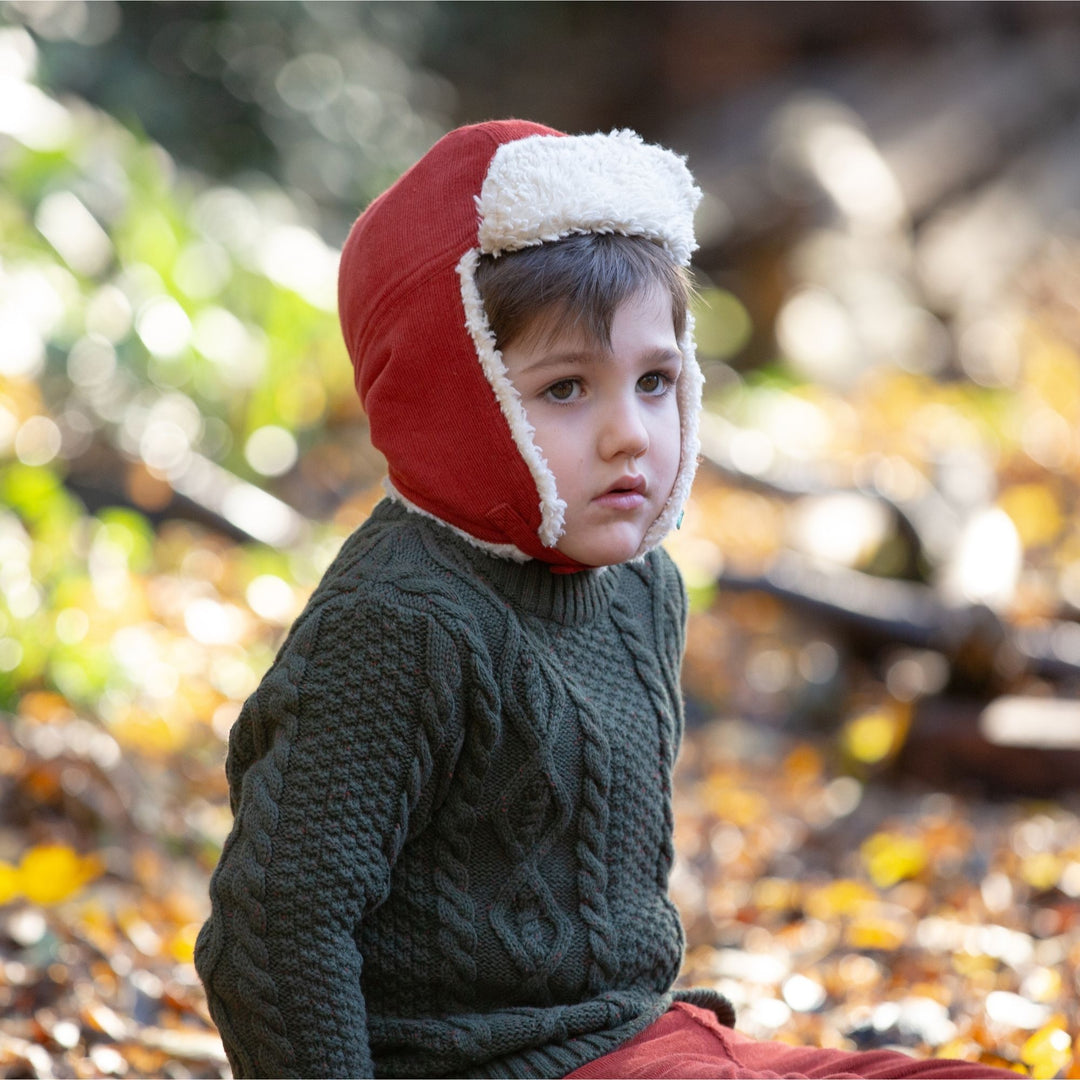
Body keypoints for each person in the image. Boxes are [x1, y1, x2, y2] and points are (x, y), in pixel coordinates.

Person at [194, 120, 1019, 1079]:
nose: (632, 434)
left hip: (637, 1038)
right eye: (568, 388)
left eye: (657, 381)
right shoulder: (400, 623)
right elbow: (272, 930)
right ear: (453, 395)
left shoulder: (641, 587)